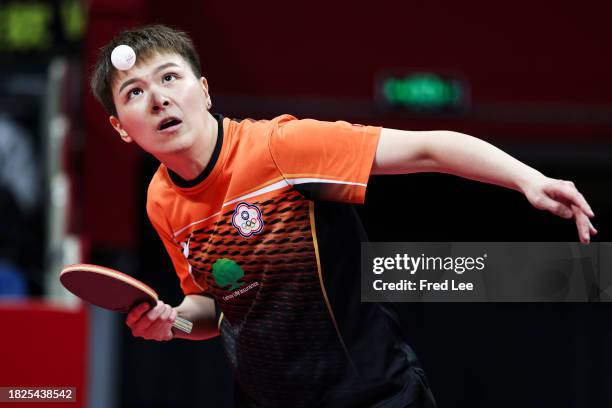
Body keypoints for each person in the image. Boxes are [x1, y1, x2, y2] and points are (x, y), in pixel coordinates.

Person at [90, 25, 596, 408]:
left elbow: (428, 148)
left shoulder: (282, 146)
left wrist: (526, 178)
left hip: (372, 396)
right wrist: (173, 322)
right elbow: (214, 306)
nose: (157, 98)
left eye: (169, 78)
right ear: (121, 128)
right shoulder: (161, 200)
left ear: (202, 91)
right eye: (134, 92)